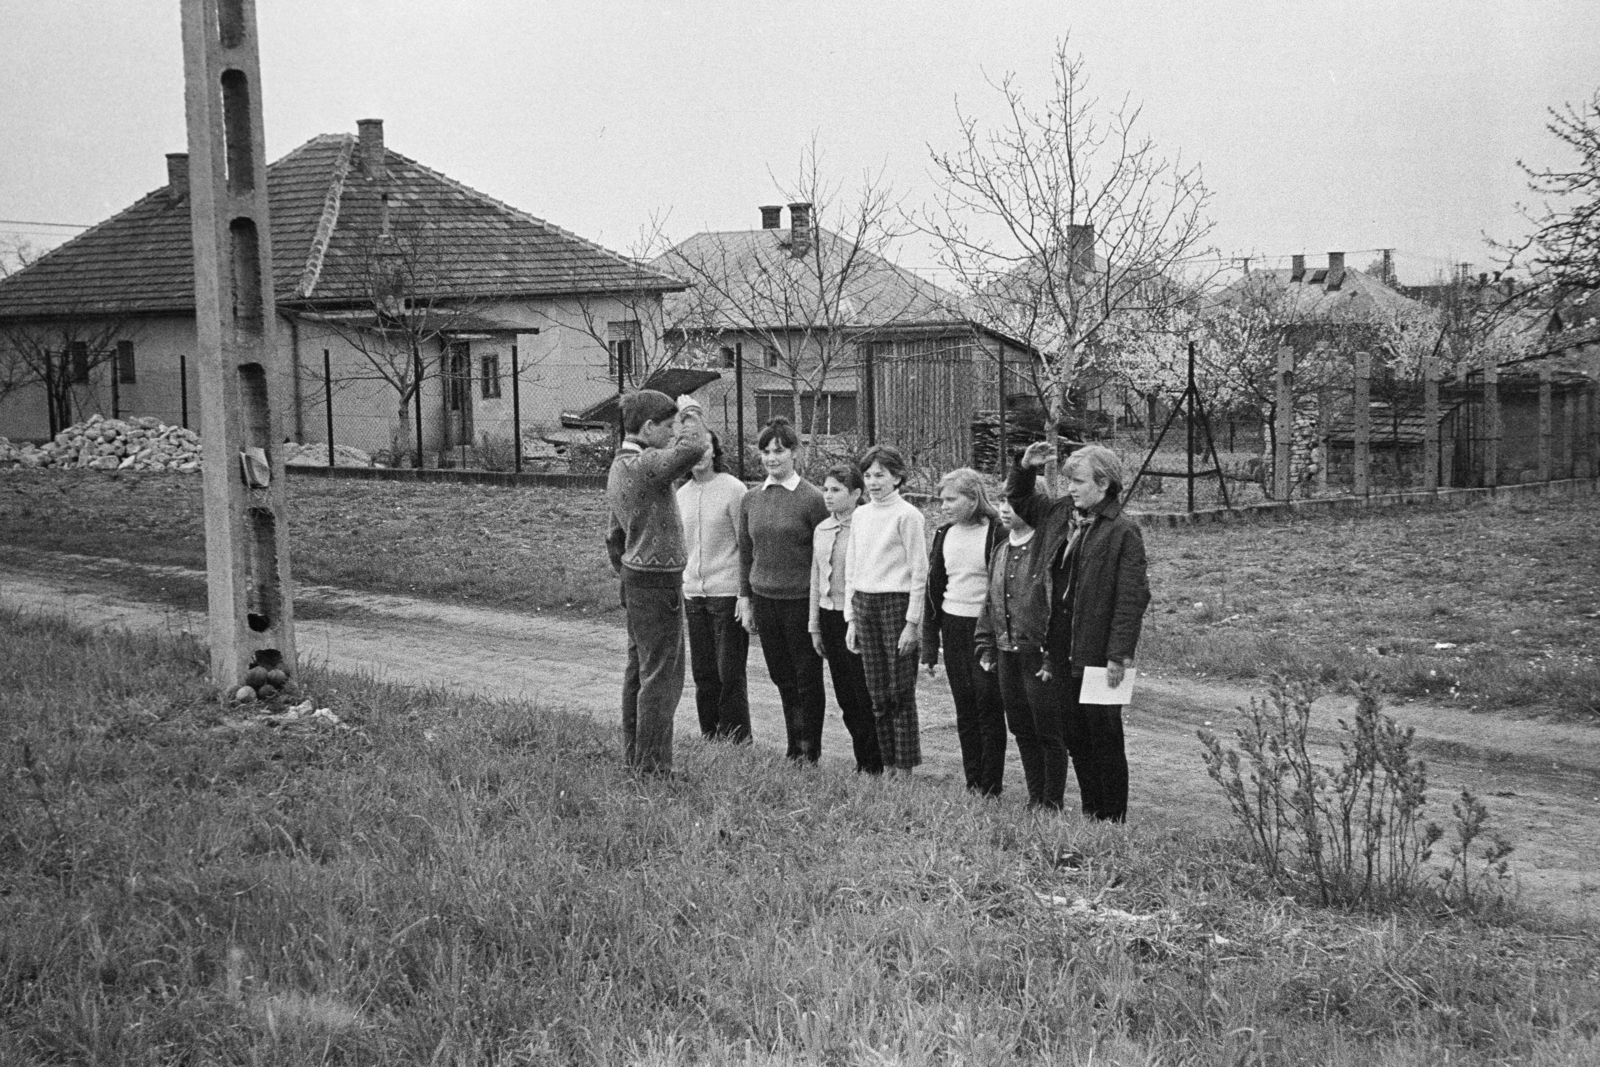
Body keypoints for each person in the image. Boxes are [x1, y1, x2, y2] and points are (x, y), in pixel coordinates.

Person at [1011, 441, 1151, 821]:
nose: (1070, 488)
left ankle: (1112, 819)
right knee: (1074, 736)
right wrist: (1025, 467)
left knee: (1104, 737)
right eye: (1069, 480)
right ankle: (1092, 815)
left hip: (1100, 652)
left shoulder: (1122, 531)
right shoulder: (1060, 514)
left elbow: (1131, 598)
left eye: (1079, 481)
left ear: (1103, 484)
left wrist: (1118, 655)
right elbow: (1020, 500)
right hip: (1059, 649)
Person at [605, 389, 709, 776]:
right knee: (662, 679)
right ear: (647, 428)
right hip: (656, 584)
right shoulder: (645, 464)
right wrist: (691, 410)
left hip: (636, 580)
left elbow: (613, 534)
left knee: (640, 672)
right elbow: (694, 447)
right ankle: (652, 769)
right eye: (667, 427)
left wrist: (626, 573)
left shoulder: (620, 466)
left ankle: (636, 759)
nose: (671, 434)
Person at [737, 417, 829, 762]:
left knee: (806, 678)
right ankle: (794, 747)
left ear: (794, 453)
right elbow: (746, 552)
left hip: (801, 603)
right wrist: (745, 599)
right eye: (766, 451)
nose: (772, 458)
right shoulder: (750, 499)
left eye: (779, 450)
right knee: (781, 676)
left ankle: (809, 752)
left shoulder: (812, 499)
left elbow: (822, 556)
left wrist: (818, 609)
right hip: (764, 600)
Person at [974, 494, 1064, 809]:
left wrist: (1052, 652)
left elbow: (1055, 604)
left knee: (1048, 730)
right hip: (1005, 651)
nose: (1005, 508)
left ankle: (1052, 803)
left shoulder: (1046, 550)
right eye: (1001, 501)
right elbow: (990, 600)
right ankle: (1034, 798)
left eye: (1014, 502)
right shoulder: (1000, 549)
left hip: (1037, 654)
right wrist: (986, 643)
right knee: (1021, 728)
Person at [922, 467, 1007, 797]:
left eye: (951, 499)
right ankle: (973, 782)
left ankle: (991, 785)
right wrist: (931, 647)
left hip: (984, 630)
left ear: (974, 499)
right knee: (965, 707)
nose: (943, 506)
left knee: (988, 704)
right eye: (941, 499)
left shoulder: (996, 532)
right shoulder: (944, 534)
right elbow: (934, 589)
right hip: (952, 626)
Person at [845, 444, 928, 776]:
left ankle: (905, 769)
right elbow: (853, 567)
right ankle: (887, 764)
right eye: (867, 475)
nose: (873, 481)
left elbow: (919, 571)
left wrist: (912, 623)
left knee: (899, 691)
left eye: (880, 474)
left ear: (897, 477)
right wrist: (851, 619)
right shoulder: (861, 515)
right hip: (865, 604)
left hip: (896, 603)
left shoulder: (909, 515)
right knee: (877, 691)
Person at [808, 464, 885, 774]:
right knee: (845, 695)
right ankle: (861, 759)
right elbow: (815, 578)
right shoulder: (821, 529)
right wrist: (814, 624)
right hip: (829, 617)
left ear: (856, 494)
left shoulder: (866, 526)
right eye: (825, 489)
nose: (828, 495)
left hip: (858, 617)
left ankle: (875, 762)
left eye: (836, 490)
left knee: (864, 691)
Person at [677, 430, 750, 742]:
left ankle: (737, 740)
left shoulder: (734, 490)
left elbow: (746, 545)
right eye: (692, 450)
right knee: (704, 674)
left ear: (714, 450)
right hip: (694, 594)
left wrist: (745, 595)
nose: (700, 455)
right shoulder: (680, 494)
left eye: (705, 447)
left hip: (726, 594)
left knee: (729, 673)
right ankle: (710, 737)